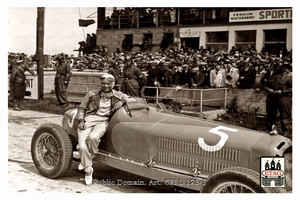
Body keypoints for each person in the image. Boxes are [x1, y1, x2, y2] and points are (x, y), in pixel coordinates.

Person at [76, 74, 129, 185]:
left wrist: (122, 102)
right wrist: (81, 120)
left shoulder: (118, 95)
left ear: (113, 84)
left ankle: (86, 160)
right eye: (103, 83)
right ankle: (88, 170)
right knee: (81, 146)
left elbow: (131, 99)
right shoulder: (92, 94)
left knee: (93, 137)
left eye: (108, 84)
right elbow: (81, 108)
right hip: (88, 119)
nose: (105, 86)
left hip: (104, 120)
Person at [263, 64, 292, 138]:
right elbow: (264, 85)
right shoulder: (271, 77)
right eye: (276, 68)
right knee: (270, 115)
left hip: (283, 99)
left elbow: (292, 89)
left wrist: (282, 92)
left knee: (285, 116)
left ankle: (286, 131)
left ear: (285, 70)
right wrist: (268, 89)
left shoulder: (289, 78)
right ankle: (271, 129)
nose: (276, 69)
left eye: (280, 68)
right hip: (271, 98)